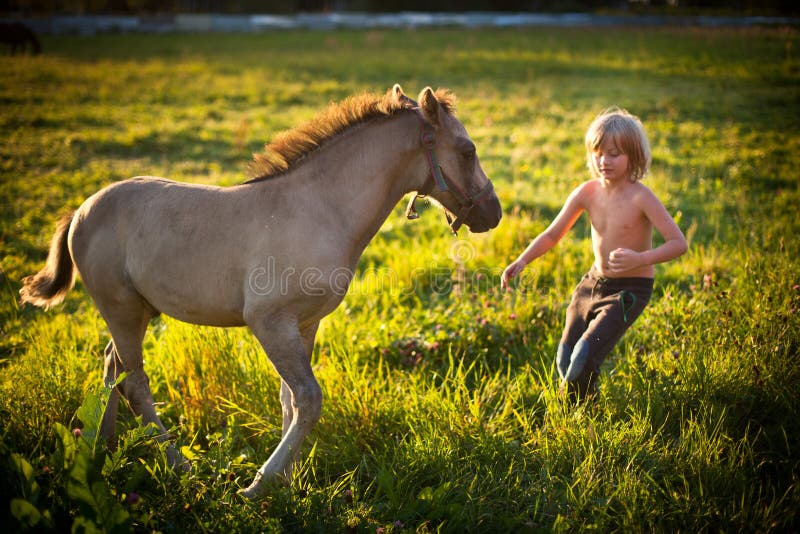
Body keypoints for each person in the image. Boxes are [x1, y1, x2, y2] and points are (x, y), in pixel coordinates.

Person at [501, 107, 688, 400]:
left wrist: (641, 259)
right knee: (565, 360)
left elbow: (679, 243)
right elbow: (552, 234)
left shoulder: (642, 197)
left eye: (614, 154)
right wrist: (522, 259)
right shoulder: (587, 192)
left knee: (584, 357)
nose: (604, 161)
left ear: (634, 156)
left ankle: (576, 415)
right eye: (598, 153)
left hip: (629, 291)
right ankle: (583, 406)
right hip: (591, 284)